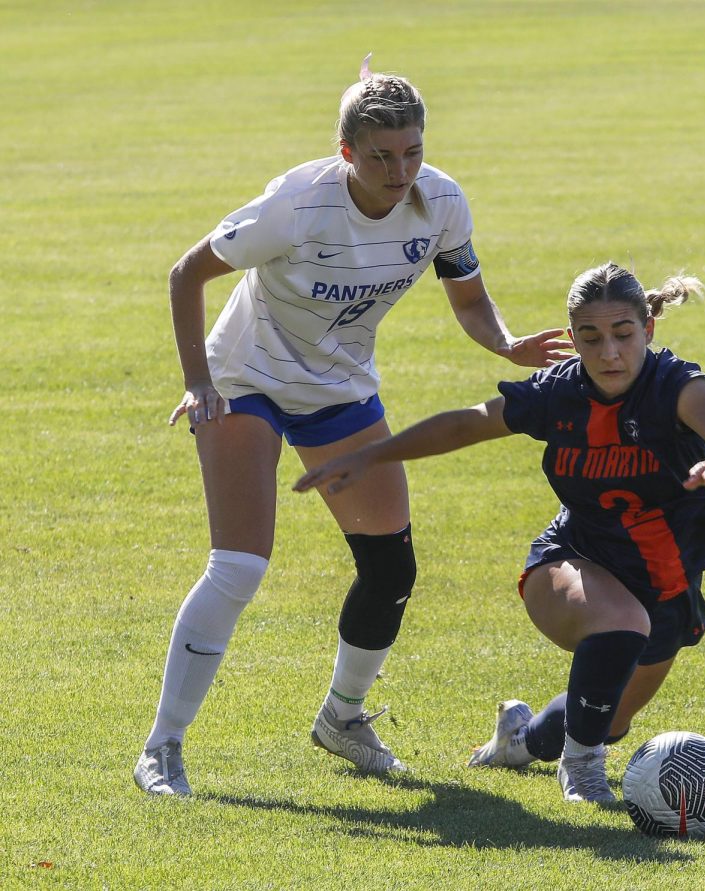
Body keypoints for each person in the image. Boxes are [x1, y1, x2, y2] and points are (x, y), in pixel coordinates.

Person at [133, 56, 572, 797]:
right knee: (240, 565)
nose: (400, 171)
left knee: (390, 566)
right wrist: (199, 382)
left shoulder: (441, 203)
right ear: (347, 154)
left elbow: (468, 299)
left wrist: (504, 343)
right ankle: (162, 746)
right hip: (246, 379)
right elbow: (186, 274)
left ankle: (342, 717)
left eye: (413, 151)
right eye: (380, 156)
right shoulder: (294, 206)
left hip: (338, 388)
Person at [294, 261, 705, 802]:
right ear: (573, 339)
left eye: (623, 335)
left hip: (665, 579)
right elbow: (468, 422)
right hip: (572, 562)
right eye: (591, 338)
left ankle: (520, 739)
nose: (609, 352)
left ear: (648, 330)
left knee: (605, 716)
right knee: (619, 629)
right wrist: (374, 453)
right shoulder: (559, 394)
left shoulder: (677, 387)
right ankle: (582, 773)